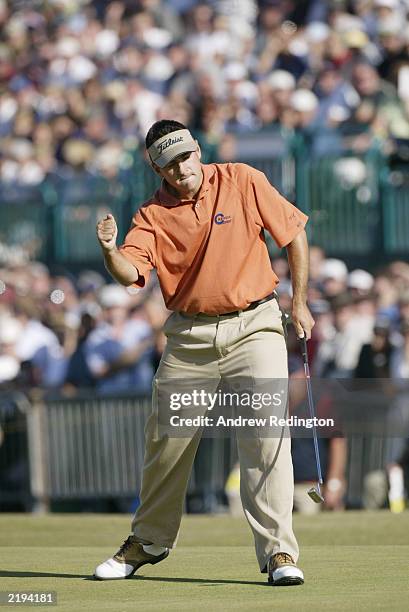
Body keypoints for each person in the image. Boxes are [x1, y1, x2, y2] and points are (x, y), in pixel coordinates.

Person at [94, 119, 314, 585]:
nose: (181, 169)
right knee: (167, 443)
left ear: (197, 149)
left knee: (265, 435)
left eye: (184, 157)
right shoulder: (151, 213)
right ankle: (149, 540)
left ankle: (279, 554)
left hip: (255, 325)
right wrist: (111, 250)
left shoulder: (242, 179)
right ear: (158, 170)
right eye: (169, 165)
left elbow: (293, 233)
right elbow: (131, 271)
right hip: (189, 338)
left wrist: (300, 301)